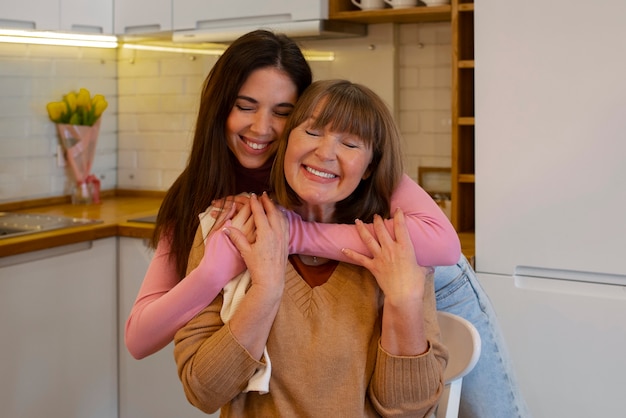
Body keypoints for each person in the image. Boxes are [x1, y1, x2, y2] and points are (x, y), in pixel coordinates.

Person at [124, 29, 529, 418]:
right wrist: (217, 271)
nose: (262, 128)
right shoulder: (211, 206)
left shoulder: (366, 193)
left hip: (427, 269)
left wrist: (295, 235)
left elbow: (441, 246)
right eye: (245, 106)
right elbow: (145, 341)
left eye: (282, 112)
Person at [174, 79, 448, 417]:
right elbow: (203, 391)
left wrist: (404, 302)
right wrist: (266, 291)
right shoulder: (231, 226)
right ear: (286, 141)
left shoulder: (395, 250)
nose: (325, 153)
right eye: (313, 132)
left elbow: (411, 411)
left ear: (370, 168)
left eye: (349, 143)